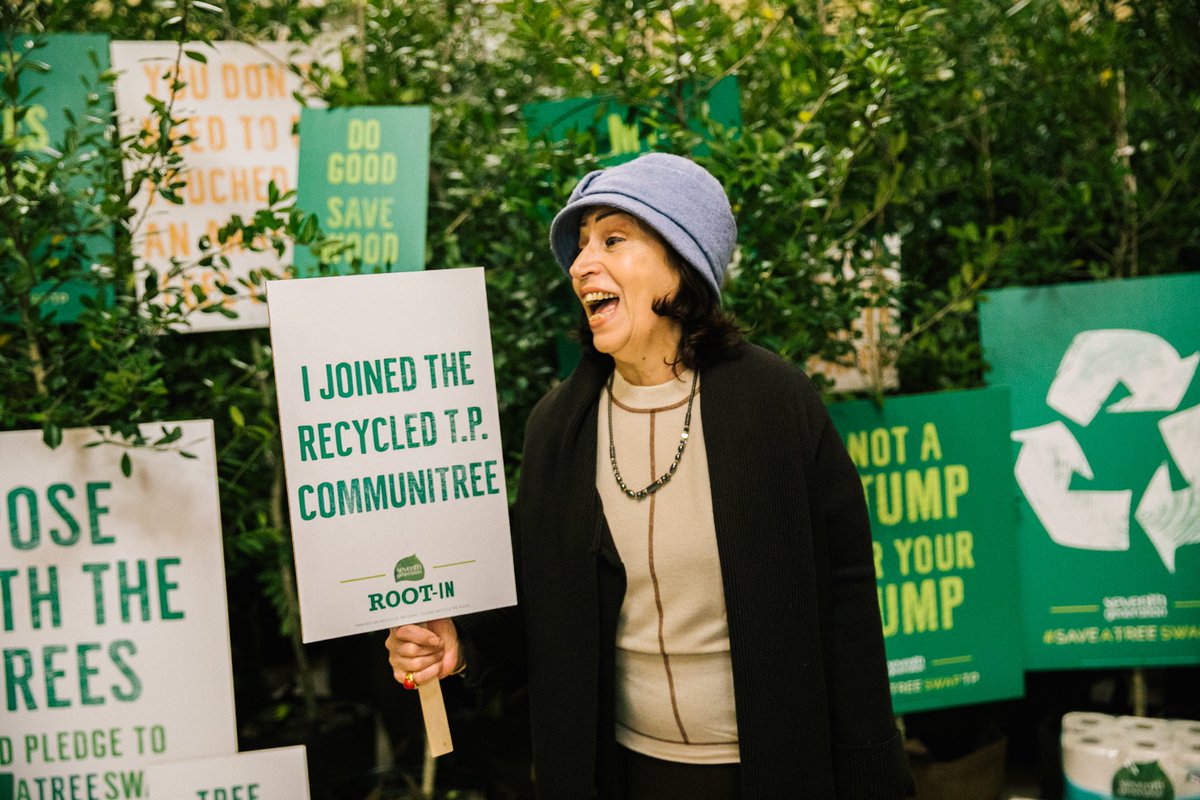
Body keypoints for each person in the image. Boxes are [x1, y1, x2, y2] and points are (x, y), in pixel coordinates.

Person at [385, 152, 914, 799]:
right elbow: (540, 596)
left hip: (770, 772)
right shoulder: (558, 426)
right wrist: (460, 641)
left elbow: (847, 602)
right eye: (580, 247)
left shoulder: (775, 403)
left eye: (613, 239)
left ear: (682, 264)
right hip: (619, 773)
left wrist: (875, 779)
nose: (581, 266)